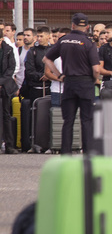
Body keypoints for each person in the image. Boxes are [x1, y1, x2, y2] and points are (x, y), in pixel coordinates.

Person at [42, 13, 102, 155]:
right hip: (86, 83)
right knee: (86, 121)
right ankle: (88, 153)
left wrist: (59, 75)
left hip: (69, 83)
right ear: (87, 27)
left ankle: (66, 153)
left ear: (72, 25)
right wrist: (94, 79)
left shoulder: (63, 40)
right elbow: (96, 69)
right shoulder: (89, 43)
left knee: (68, 120)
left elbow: (46, 59)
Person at [20, 26, 52, 150]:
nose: (39, 39)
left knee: (48, 115)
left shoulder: (53, 50)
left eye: (41, 36)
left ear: (48, 36)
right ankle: (34, 142)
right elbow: (29, 71)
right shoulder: (32, 52)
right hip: (36, 88)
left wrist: (50, 76)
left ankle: (49, 142)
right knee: (34, 116)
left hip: (50, 87)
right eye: (37, 36)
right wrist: (42, 76)